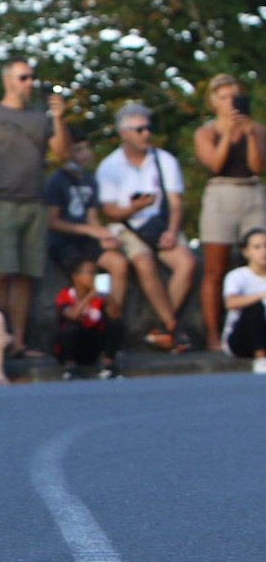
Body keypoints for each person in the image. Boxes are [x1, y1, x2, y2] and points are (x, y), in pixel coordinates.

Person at [0, 57, 69, 358]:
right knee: (1, 274)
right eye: (23, 77)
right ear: (8, 80)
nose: (29, 83)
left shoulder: (41, 118)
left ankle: (18, 342)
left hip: (34, 203)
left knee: (26, 276)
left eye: (31, 77)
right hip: (1, 202)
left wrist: (59, 117)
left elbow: (62, 154)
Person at [95, 102, 195, 352]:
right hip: (128, 226)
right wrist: (133, 209)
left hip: (159, 225)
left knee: (187, 263)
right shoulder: (109, 167)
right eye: (139, 130)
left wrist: (172, 231)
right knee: (143, 261)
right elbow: (108, 211)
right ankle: (171, 326)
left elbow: (175, 202)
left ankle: (163, 328)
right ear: (123, 133)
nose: (146, 134)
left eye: (147, 128)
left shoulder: (165, 160)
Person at [192, 75, 266, 350]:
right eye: (223, 98)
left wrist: (246, 134)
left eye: (233, 96)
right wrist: (227, 133)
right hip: (221, 193)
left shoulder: (256, 129)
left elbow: (256, 165)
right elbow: (215, 163)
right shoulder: (206, 132)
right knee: (215, 267)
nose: (229, 103)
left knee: (259, 259)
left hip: (251, 191)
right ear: (214, 103)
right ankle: (213, 334)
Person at [45, 126, 131, 320]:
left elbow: (92, 218)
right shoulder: (56, 180)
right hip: (62, 241)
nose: (84, 154)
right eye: (78, 149)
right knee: (84, 271)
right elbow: (51, 221)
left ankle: (111, 319)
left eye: (86, 148)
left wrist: (104, 236)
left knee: (118, 263)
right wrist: (87, 229)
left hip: (85, 240)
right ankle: (84, 321)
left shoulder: (90, 180)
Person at [53, 257, 123, 379]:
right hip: (72, 346)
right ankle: (70, 366)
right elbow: (73, 315)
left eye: (96, 273)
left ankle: (108, 364)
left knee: (115, 324)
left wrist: (108, 297)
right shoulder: (65, 294)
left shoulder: (100, 297)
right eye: (90, 272)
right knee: (71, 327)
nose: (93, 276)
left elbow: (116, 316)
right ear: (76, 276)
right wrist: (91, 294)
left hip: (92, 345)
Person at [220, 227, 266, 374]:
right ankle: (260, 358)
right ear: (246, 251)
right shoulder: (237, 276)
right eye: (257, 247)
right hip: (240, 339)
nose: (263, 251)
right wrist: (262, 295)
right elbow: (230, 302)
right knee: (254, 308)